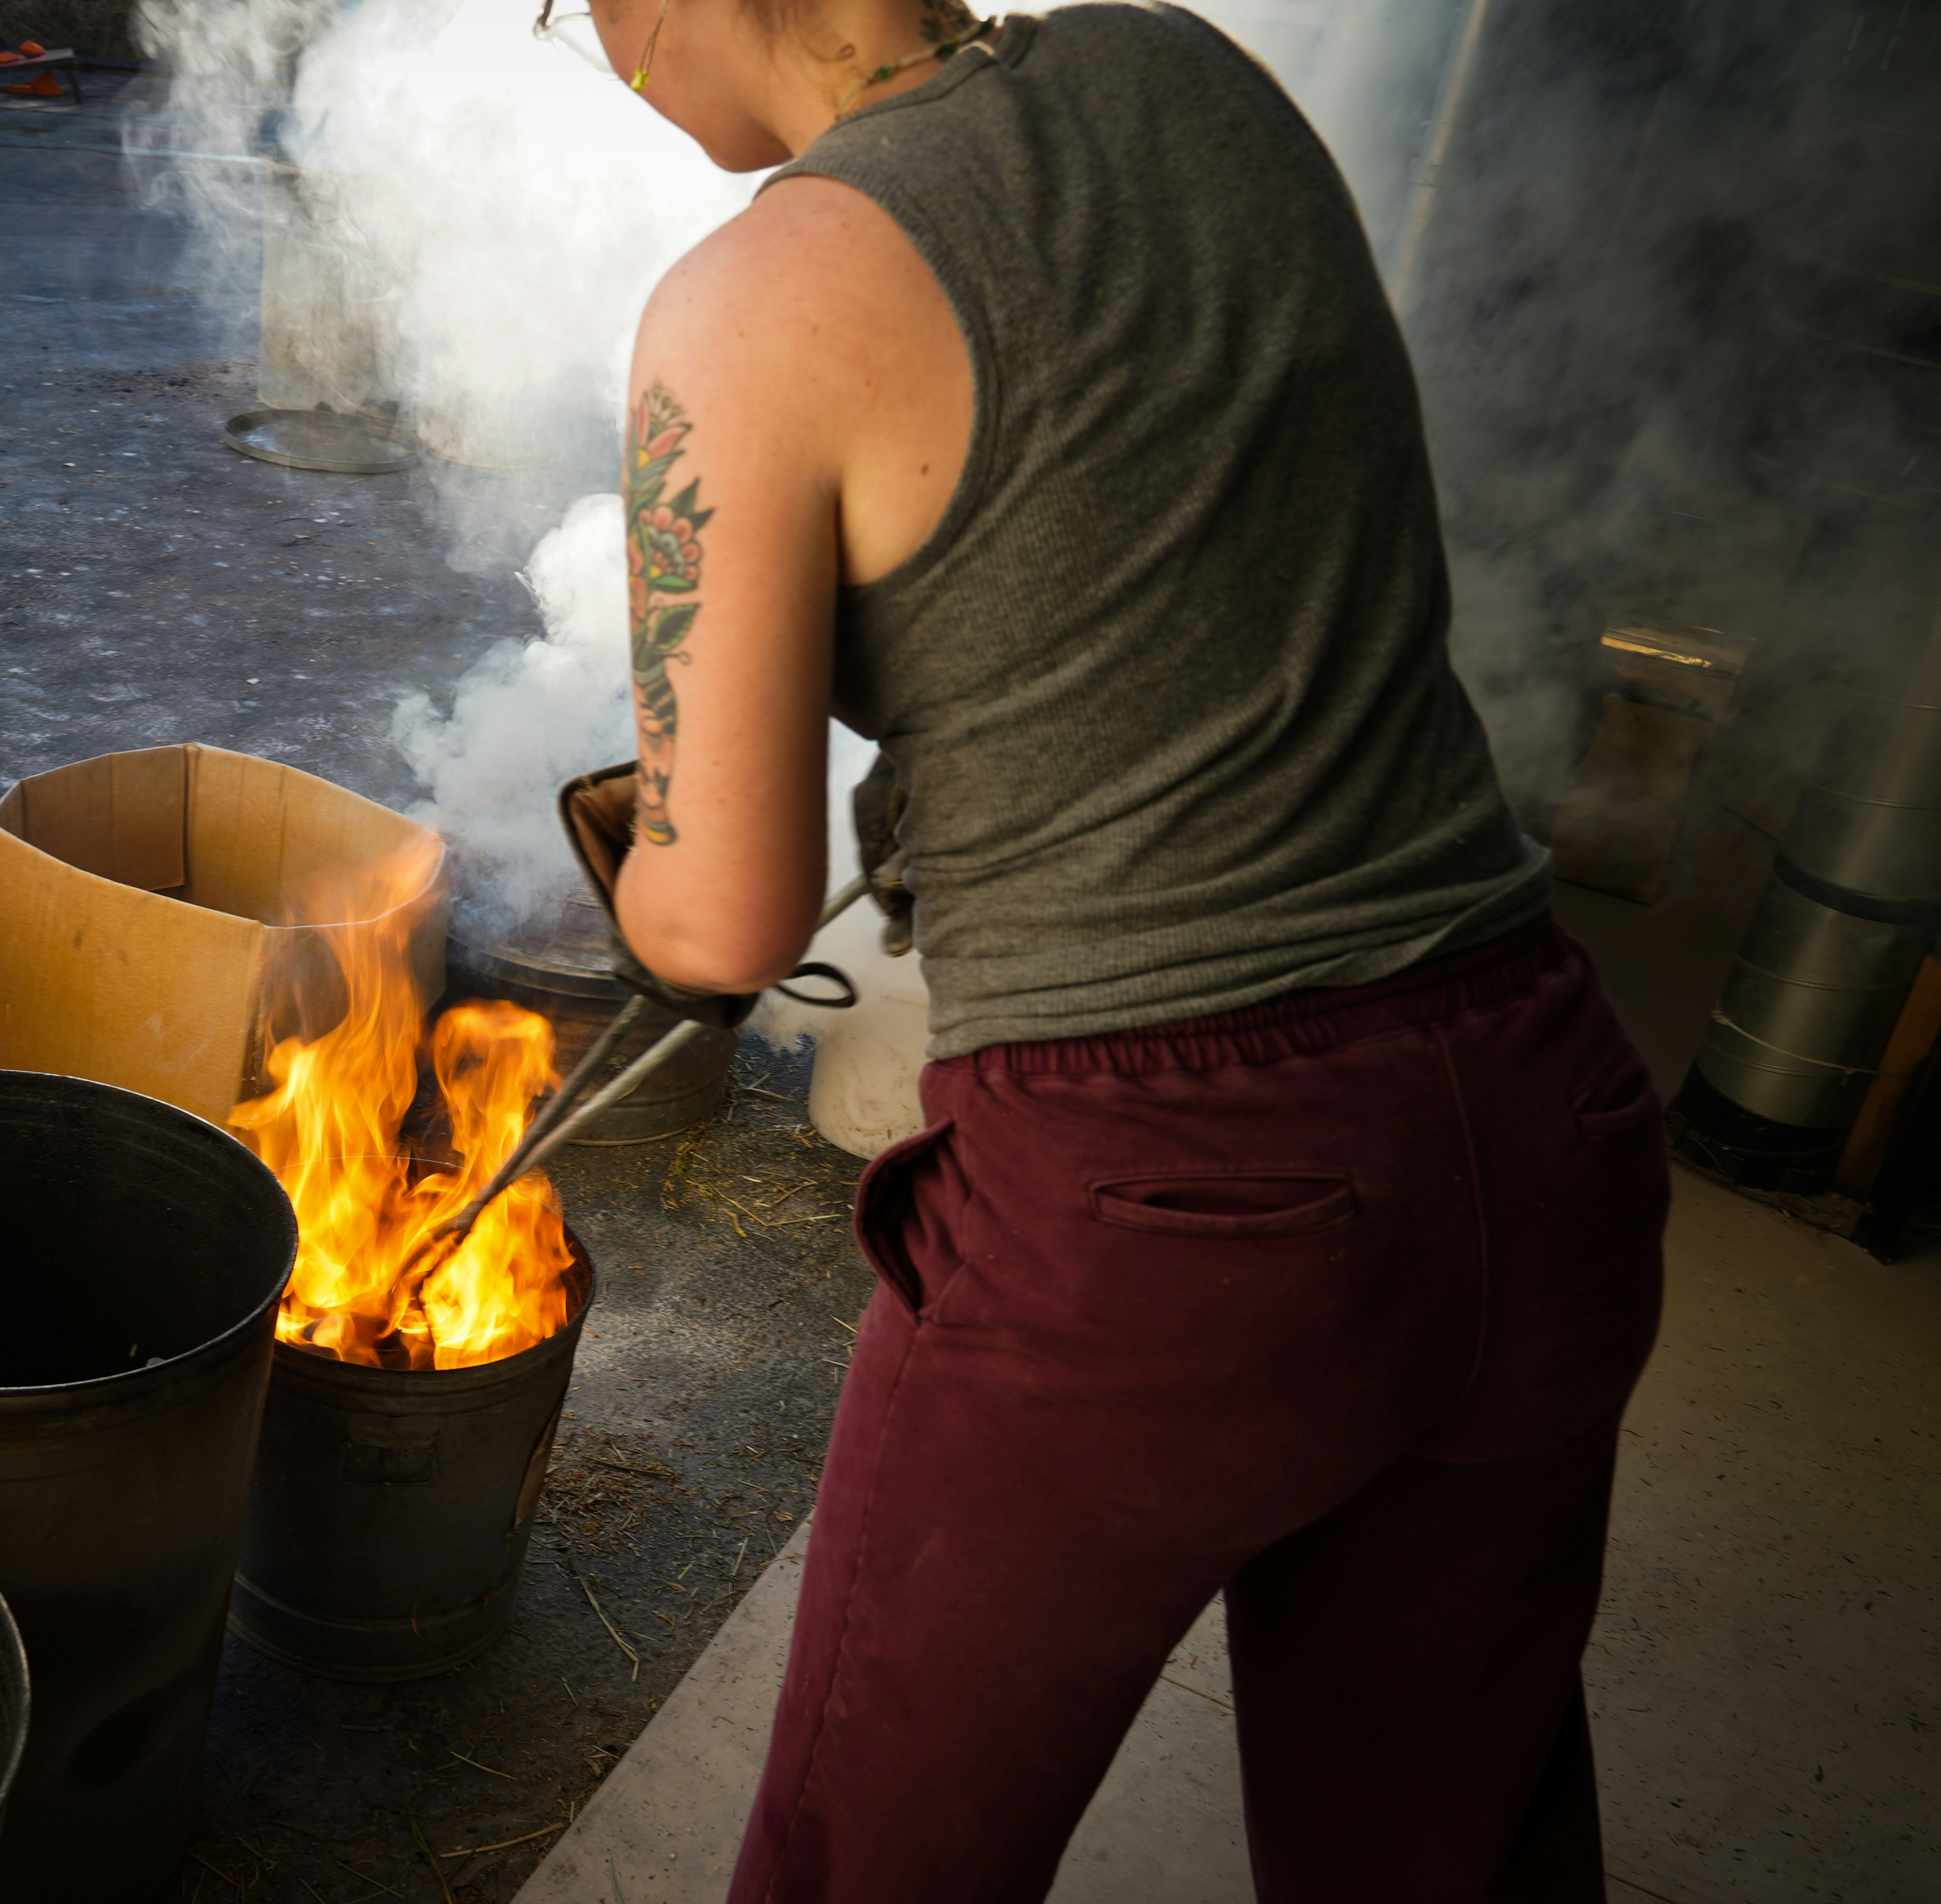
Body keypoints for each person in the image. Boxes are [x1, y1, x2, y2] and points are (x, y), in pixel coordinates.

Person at [551, 3, 1670, 1899]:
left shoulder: (760, 294)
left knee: (875, 1859)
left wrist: (650, 835)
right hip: (1539, 1102)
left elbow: (719, 917)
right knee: (1442, 1846)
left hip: (1162, 1226)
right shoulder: (1183, 72)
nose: (602, 47)